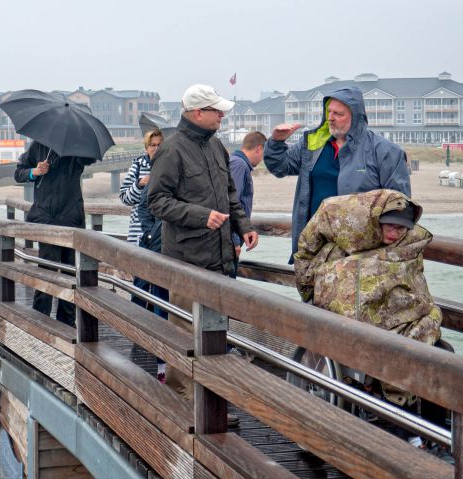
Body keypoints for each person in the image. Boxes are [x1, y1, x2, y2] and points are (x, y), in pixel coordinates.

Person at [294, 189, 451, 461]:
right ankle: (407, 433)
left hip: (395, 315)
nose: (395, 234)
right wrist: (308, 289)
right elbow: (311, 252)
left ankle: (437, 434)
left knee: (443, 354)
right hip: (357, 323)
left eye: (402, 229)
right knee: (399, 355)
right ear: (376, 220)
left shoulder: (406, 246)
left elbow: (411, 285)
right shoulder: (344, 234)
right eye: (390, 227)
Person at [147, 84, 259, 411]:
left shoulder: (217, 147)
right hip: (186, 257)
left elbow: (230, 195)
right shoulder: (172, 150)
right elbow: (156, 202)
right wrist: (200, 216)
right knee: (185, 330)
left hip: (219, 255)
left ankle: (212, 400)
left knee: (216, 331)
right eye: (217, 111)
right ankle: (185, 401)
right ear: (198, 113)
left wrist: (245, 227)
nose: (222, 115)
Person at [264, 86, 411, 261]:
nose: (331, 118)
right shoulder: (313, 144)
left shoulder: (386, 152)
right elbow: (280, 167)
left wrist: (390, 235)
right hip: (314, 249)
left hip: (360, 253)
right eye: (329, 112)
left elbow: (400, 202)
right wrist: (276, 142)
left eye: (338, 114)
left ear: (356, 118)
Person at [14, 141, 96, 327]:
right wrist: (34, 171)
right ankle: (40, 319)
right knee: (47, 269)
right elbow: (18, 173)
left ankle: (67, 322)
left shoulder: (77, 149)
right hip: (46, 218)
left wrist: (79, 147)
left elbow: (90, 159)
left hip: (71, 219)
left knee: (69, 273)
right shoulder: (38, 146)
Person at [119, 129, 164, 307]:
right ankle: (138, 321)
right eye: (152, 145)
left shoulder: (170, 166)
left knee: (160, 282)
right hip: (140, 235)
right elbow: (125, 198)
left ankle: (156, 322)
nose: (156, 148)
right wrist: (139, 184)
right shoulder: (138, 165)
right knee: (141, 283)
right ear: (146, 148)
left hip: (161, 235)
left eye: (160, 145)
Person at [136, 155, 168, 383]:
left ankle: (169, 362)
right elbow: (142, 207)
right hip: (156, 248)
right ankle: (161, 363)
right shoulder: (157, 175)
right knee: (159, 304)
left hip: (178, 251)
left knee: (171, 306)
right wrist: (150, 233)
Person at [229, 131, 266, 275]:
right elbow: (231, 202)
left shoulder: (236, 162)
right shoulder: (239, 165)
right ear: (259, 148)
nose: (262, 159)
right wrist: (234, 240)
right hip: (230, 241)